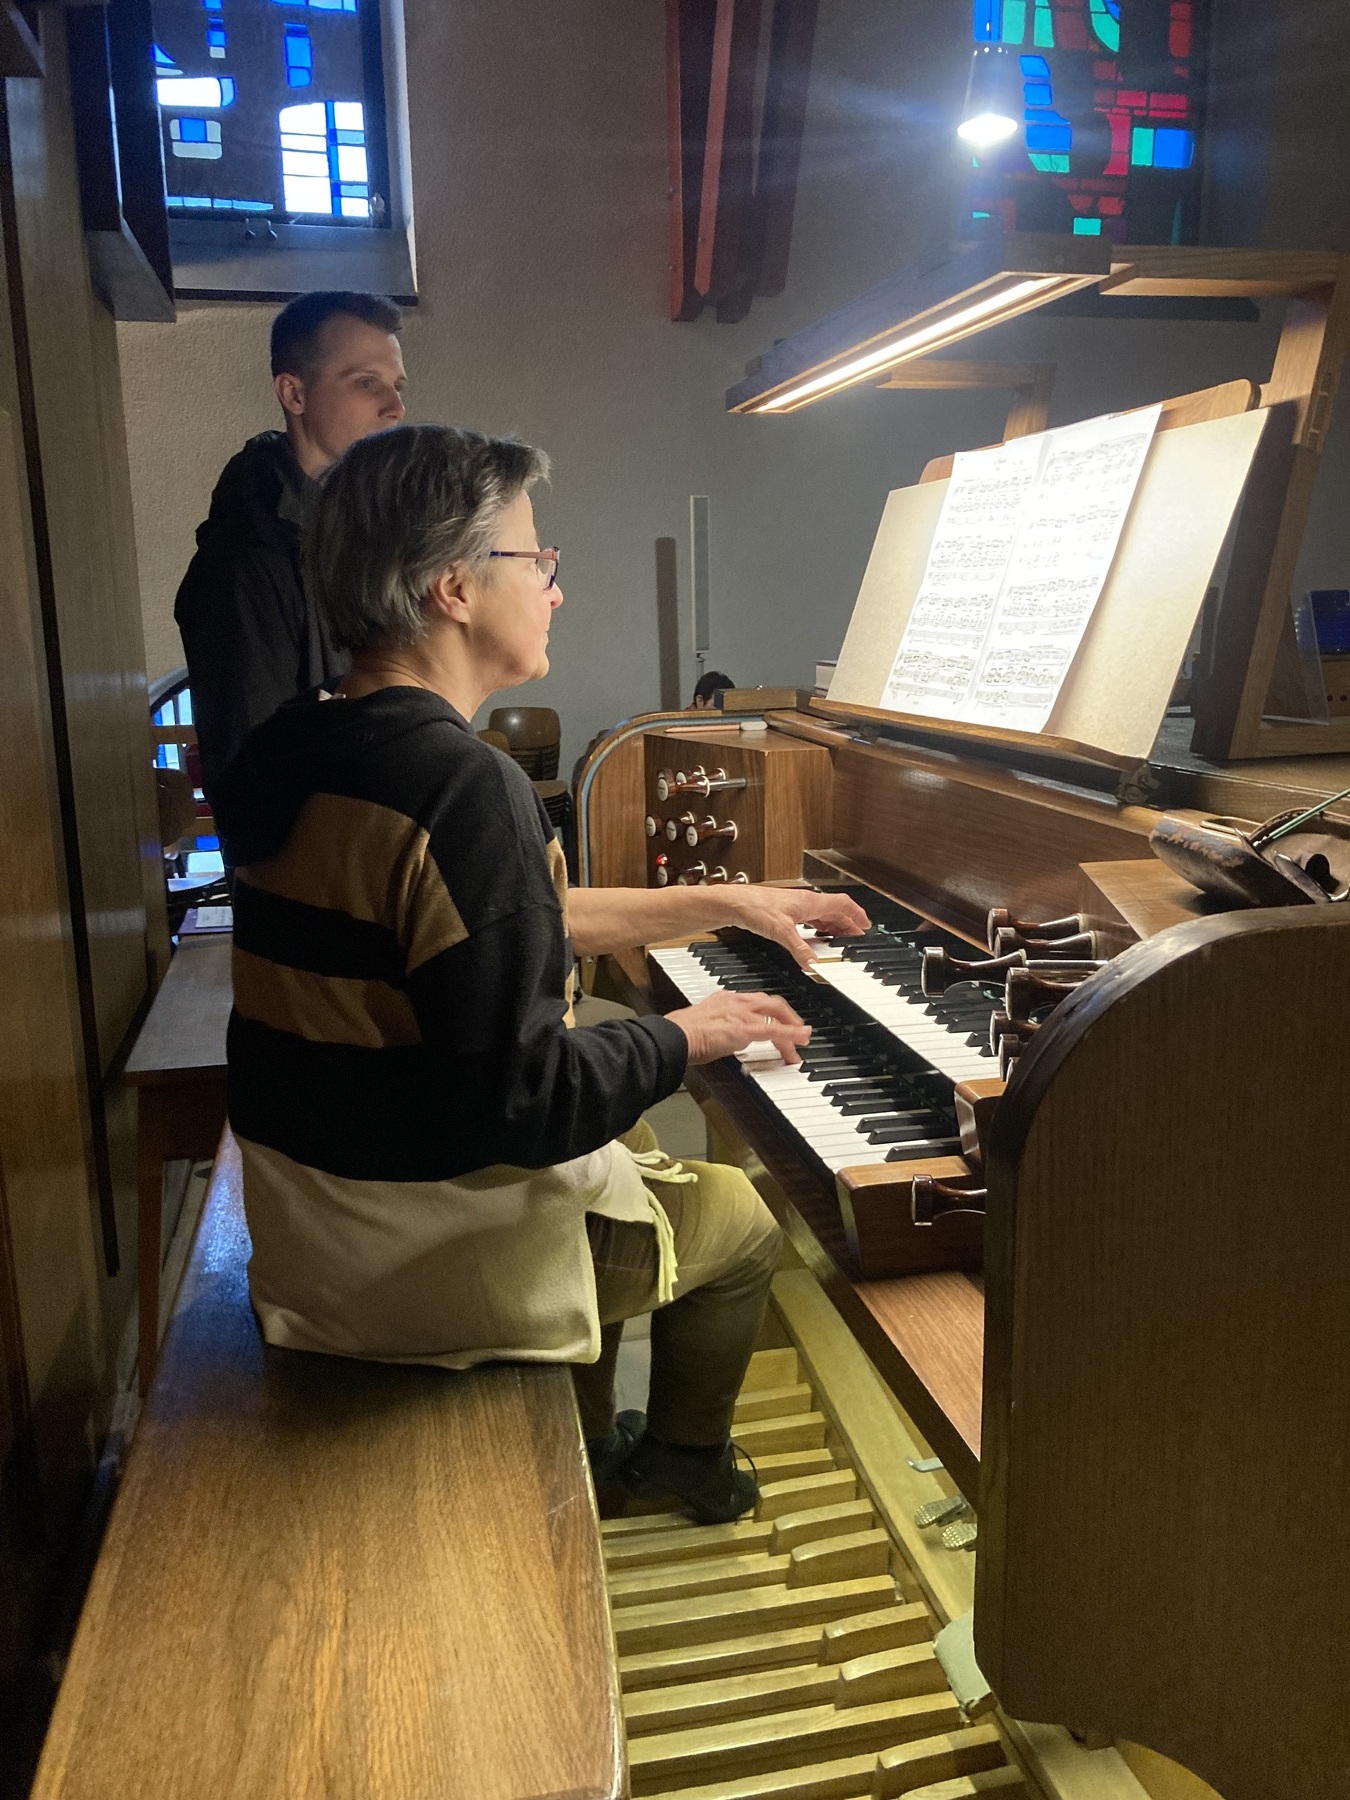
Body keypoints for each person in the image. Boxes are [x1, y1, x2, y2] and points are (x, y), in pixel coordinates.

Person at [213, 424, 867, 1523]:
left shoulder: (306, 742)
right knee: (745, 1221)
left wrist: (730, 901)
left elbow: (483, 925)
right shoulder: (462, 785)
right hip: (413, 1252)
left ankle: (591, 1430)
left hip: (313, 1216)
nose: (557, 588)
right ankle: (675, 1466)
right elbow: (521, 1103)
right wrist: (691, 1035)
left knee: (628, 1126)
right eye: (538, 559)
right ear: (454, 586)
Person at [174, 289, 407, 806]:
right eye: (366, 383)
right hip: (314, 848)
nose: (395, 408)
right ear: (294, 394)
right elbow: (252, 774)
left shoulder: (360, 535)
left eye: (397, 386)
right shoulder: (244, 561)